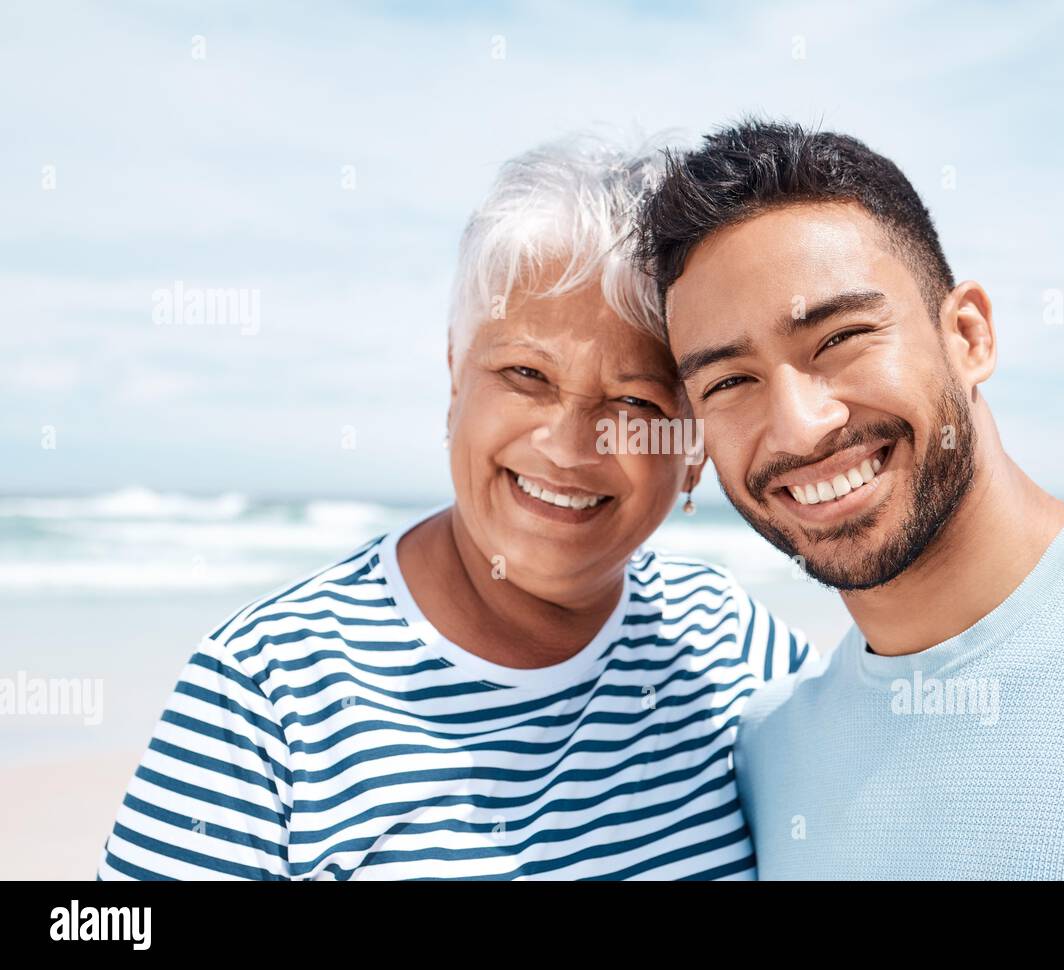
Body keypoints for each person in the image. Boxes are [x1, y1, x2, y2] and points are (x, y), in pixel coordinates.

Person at [97, 133, 810, 881]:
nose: (567, 446)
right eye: (525, 373)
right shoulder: (264, 696)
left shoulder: (729, 653)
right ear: (454, 377)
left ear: (693, 440)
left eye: (633, 399)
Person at [634, 118, 1064, 879]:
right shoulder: (772, 749)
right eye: (728, 382)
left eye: (840, 337)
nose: (796, 427)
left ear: (969, 335)